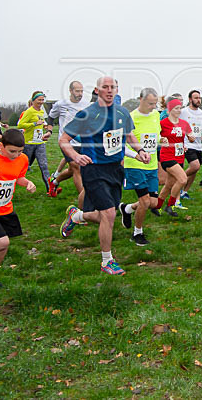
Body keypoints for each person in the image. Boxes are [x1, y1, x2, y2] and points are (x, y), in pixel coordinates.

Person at [59, 76, 149, 276]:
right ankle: (107, 261)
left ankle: (76, 216)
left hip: (115, 169)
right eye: (105, 87)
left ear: (117, 89)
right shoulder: (87, 114)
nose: (109, 90)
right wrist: (76, 156)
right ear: (97, 90)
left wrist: (140, 150)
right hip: (94, 169)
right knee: (108, 214)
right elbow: (64, 139)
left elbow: (129, 135)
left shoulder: (122, 112)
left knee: (106, 215)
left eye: (112, 87)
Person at [0, 130, 36, 288]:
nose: (16, 155)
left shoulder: (23, 159)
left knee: (2, 247)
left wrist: (28, 183)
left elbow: (18, 177)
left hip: (5, 208)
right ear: (1, 146)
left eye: (20, 151)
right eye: (12, 151)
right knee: (1, 242)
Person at [118, 88, 161, 245]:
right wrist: (136, 154)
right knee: (144, 201)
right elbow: (124, 141)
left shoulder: (156, 115)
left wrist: (162, 140)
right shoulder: (131, 117)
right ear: (141, 100)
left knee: (153, 202)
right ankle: (137, 233)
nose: (153, 107)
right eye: (150, 103)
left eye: (155, 104)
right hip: (135, 165)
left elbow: (156, 136)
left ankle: (127, 208)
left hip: (152, 164)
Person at [48, 80, 91, 199]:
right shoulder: (61, 104)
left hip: (82, 141)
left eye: (81, 91)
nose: (80, 94)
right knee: (77, 167)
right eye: (77, 91)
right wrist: (49, 131)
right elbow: (51, 117)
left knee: (72, 170)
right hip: (66, 141)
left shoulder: (86, 104)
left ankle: (54, 182)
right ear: (70, 91)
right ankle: (84, 199)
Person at [155, 99, 194, 217]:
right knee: (182, 179)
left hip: (179, 156)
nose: (179, 110)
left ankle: (157, 207)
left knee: (169, 184)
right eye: (176, 108)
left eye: (180, 108)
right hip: (167, 156)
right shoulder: (162, 123)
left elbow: (191, 136)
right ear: (170, 110)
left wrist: (191, 138)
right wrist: (161, 139)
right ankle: (169, 206)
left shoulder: (184, 123)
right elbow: (156, 136)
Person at [17, 91, 53, 193]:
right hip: (28, 143)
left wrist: (44, 129)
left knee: (44, 166)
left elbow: (42, 124)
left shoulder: (41, 112)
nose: (41, 102)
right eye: (39, 100)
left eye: (42, 100)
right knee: (23, 166)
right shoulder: (29, 111)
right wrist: (34, 124)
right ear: (33, 100)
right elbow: (20, 125)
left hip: (39, 143)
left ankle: (50, 189)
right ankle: (11, 183)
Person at [179, 89, 202, 199]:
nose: (198, 100)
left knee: (195, 170)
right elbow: (177, 125)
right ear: (190, 99)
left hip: (198, 145)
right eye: (196, 98)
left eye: (199, 98)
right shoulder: (184, 112)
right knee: (195, 166)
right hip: (187, 144)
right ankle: (178, 179)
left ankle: (184, 192)